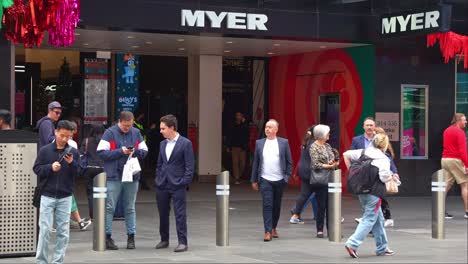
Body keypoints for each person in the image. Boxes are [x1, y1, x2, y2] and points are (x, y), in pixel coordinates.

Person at [97, 111, 148, 250]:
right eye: (125, 126)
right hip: (114, 175)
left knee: (130, 207)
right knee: (110, 207)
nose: (127, 128)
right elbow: (101, 152)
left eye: (130, 126)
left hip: (131, 175)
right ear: (119, 121)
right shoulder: (109, 133)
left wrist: (134, 151)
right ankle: (107, 237)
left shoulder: (136, 132)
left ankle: (131, 237)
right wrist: (121, 151)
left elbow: (144, 151)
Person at [33, 120, 81, 264]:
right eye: (62, 135)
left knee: (63, 232)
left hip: (65, 196)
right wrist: (50, 167)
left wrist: (72, 163)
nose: (65, 139)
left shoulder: (73, 152)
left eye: (68, 136)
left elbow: (79, 172)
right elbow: (37, 169)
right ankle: (41, 261)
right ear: (56, 132)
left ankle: (57, 261)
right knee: (45, 230)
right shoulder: (45, 150)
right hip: (47, 195)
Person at [343, 133, 396, 258]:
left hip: (361, 190)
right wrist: (391, 177)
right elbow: (383, 177)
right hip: (374, 192)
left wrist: (350, 170)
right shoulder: (383, 159)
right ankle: (352, 243)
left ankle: (382, 247)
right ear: (385, 145)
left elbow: (346, 154)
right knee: (369, 218)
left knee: (379, 219)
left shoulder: (363, 152)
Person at [154, 114, 194, 253]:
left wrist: (183, 182)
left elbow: (190, 167)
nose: (160, 131)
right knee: (163, 213)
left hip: (178, 184)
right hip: (162, 184)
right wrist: (158, 178)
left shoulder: (185, 143)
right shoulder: (162, 144)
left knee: (180, 213)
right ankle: (164, 239)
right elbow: (160, 164)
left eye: (163, 128)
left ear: (172, 128)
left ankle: (183, 242)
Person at [290, 124, 339, 238]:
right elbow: (315, 164)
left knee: (328, 204)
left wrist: (333, 163)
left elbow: (332, 158)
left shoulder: (327, 146)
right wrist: (328, 165)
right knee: (318, 201)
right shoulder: (313, 146)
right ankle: (319, 228)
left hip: (329, 178)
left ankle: (330, 229)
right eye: (327, 133)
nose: (329, 135)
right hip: (318, 178)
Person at [250, 119, 292, 242]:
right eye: (266, 127)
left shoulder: (284, 143)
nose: (267, 129)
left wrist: (287, 177)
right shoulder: (260, 143)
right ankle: (267, 231)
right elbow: (256, 163)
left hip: (279, 179)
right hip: (265, 179)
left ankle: (274, 227)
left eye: (270, 127)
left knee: (276, 205)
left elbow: (289, 162)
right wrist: (254, 180)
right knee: (267, 204)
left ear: (276, 129)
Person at [442, 113, 468, 219]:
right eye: (464, 120)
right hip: (456, 160)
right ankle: (467, 211)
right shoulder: (460, 132)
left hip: (445, 159)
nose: (466, 122)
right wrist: (467, 164)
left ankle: (440, 210)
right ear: (458, 121)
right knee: (465, 185)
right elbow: (462, 151)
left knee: (445, 186)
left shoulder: (447, 130)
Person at [80, 124, 105, 220]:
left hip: (89, 168)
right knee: (101, 193)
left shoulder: (86, 140)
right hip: (102, 168)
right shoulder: (105, 141)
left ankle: (93, 216)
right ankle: (101, 214)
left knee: (91, 193)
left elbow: (81, 154)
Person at [227, 112, 250, 184]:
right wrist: (228, 146)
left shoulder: (245, 125)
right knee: (235, 162)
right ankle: (236, 178)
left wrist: (244, 123)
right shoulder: (233, 125)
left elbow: (246, 133)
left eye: (240, 115)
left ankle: (238, 176)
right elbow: (230, 135)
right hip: (234, 146)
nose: (238, 117)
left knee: (242, 163)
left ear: (242, 116)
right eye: (237, 115)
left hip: (242, 147)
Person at [133, 111, 151, 190]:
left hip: (140, 148)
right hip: (136, 149)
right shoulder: (134, 123)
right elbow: (141, 132)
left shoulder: (138, 123)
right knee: (140, 167)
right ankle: (142, 183)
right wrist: (150, 129)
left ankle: (142, 183)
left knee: (140, 167)